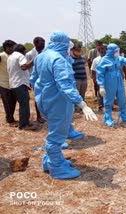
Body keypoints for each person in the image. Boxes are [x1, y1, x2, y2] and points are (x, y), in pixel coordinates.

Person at [30, 31, 97, 179]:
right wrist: (82, 104)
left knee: (54, 130)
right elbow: (66, 85)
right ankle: (57, 168)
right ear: (62, 44)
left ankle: (51, 160)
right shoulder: (58, 60)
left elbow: (33, 79)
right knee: (57, 136)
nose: (69, 49)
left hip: (45, 100)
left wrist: (42, 94)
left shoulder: (40, 57)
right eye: (68, 46)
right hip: (59, 101)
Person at [7, 44, 36, 130]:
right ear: (23, 51)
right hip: (19, 84)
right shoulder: (20, 56)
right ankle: (23, 125)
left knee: (23, 103)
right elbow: (24, 67)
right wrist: (34, 60)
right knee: (24, 104)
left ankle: (25, 122)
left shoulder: (11, 56)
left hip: (13, 84)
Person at [26, 37, 46, 123]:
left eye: (43, 44)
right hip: (35, 80)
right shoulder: (29, 54)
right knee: (38, 98)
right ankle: (38, 116)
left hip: (45, 78)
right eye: (41, 44)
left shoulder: (45, 53)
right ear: (35, 44)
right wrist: (29, 81)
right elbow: (26, 68)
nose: (42, 46)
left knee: (45, 97)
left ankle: (44, 115)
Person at [0, 40, 17, 125]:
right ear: (6, 47)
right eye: (11, 47)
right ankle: (10, 120)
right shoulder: (2, 56)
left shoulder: (13, 56)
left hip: (13, 83)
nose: (13, 49)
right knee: (7, 103)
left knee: (13, 102)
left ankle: (11, 118)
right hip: (3, 83)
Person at [70, 43, 87, 112]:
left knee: (82, 94)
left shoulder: (82, 58)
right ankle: (76, 108)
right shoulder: (70, 59)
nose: (78, 51)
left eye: (79, 50)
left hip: (84, 79)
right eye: (77, 50)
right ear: (73, 50)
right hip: (76, 79)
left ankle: (82, 107)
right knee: (76, 94)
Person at [91, 44, 106, 112]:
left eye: (103, 49)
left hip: (108, 79)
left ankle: (108, 105)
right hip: (99, 80)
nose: (102, 51)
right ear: (99, 51)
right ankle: (100, 106)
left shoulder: (109, 59)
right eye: (101, 49)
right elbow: (93, 71)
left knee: (108, 93)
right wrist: (94, 79)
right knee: (100, 93)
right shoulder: (96, 60)